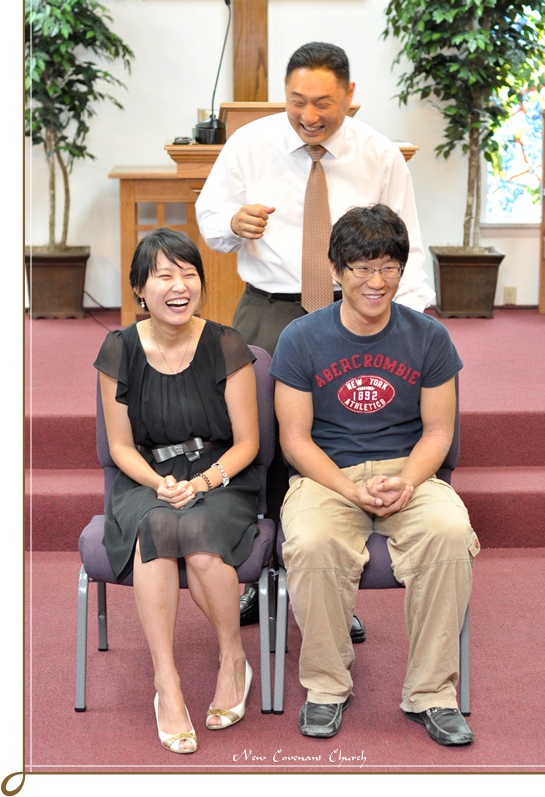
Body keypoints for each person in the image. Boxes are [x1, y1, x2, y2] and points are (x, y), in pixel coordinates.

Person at [196, 40, 435, 634]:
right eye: (297, 100)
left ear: (350, 95)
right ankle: (257, 574)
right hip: (269, 311)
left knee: (331, 440)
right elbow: (209, 216)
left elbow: (406, 246)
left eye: (323, 103)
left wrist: (412, 330)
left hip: (354, 318)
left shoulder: (379, 154)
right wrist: (233, 223)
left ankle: (333, 588)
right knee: (258, 442)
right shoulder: (250, 143)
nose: (308, 115)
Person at [269, 205, 480, 745]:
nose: (376, 281)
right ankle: (326, 686)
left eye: (388, 267)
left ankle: (432, 693)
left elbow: (438, 432)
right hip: (328, 475)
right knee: (311, 541)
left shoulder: (429, 337)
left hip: (408, 471)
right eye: (362, 268)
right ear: (336, 271)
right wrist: (349, 488)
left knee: (450, 532)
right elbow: (295, 440)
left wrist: (407, 482)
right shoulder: (300, 337)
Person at [94, 228, 261, 754]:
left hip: (221, 473)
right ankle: (166, 681)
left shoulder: (226, 343)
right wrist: (160, 483)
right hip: (148, 476)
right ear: (140, 289)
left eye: (189, 274)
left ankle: (233, 659)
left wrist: (205, 481)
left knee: (203, 536)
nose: (179, 286)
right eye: (164, 275)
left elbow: (248, 442)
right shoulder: (119, 348)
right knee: (159, 526)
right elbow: (120, 446)